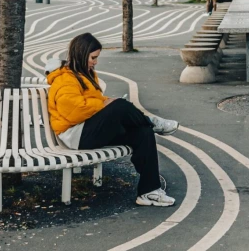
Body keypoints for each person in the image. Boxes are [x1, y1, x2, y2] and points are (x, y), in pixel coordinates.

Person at [47, 33, 178, 207]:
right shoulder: (65, 79)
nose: (95, 62)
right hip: (76, 134)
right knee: (120, 106)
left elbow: (91, 103)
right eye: (93, 57)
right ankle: (151, 121)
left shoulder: (86, 74)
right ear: (81, 54)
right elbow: (75, 111)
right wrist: (106, 103)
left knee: (142, 132)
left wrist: (105, 103)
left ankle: (149, 191)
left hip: (89, 128)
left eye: (97, 57)